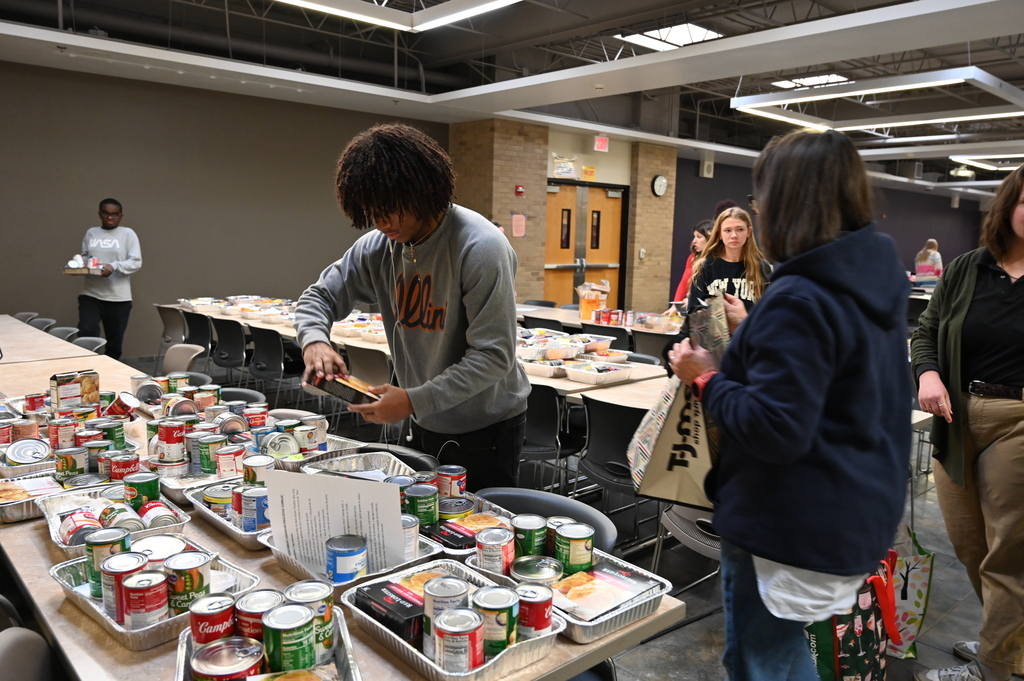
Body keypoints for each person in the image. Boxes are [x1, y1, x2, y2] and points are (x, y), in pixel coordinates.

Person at [669, 129, 911, 681]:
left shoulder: (799, 295)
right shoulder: (863, 279)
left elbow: (774, 426)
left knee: (763, 661)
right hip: (849, 511)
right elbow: (832, 376)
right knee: (773, 655)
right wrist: (756, 329)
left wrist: (705, 378)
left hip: (789, 520)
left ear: (784, 202)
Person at [294, 123, 530, 492]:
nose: (381, 221)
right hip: (423, 417)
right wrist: (315, 341)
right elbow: (318, 297)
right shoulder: (378, 246)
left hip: (486, 428)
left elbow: (494, 355)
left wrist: (414, 400)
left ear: (423, 191)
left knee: (476, 531)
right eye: (372, 212)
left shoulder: (480, 247)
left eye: (391, 209)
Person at [910, 165, 1024, 681]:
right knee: (968, 543)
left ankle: (995, 666)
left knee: (1008, 552)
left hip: (1017, 420)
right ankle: (1005, 640)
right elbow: (926, 330)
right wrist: (928, 373)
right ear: (1009, 206)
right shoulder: (967, 268)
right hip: (955, 419)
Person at [77, 198, 142, 360]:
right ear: (100, 214)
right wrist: (79, 264)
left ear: (121, 216)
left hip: (118, 297)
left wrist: (114, 266)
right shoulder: (92, 232)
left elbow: (136, 262)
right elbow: (85, 258)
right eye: (106, 213)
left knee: (114, 342)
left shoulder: (128, 234)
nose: (110, 217)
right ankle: (87, 370)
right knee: (87, 333)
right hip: (91, 293)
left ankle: (110, 373)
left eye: (115, 214)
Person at [686, 206, 771, 317]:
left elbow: (770, 313)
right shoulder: (705, 266)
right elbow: (693, 313)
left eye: (740, 229)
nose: (734, 235)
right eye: (727, 230)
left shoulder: (762, 268)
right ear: (720, 234)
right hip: (714, 334)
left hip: (750, 333)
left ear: (749, 232)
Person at [671, 219, 713, 303]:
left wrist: (693, 300)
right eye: (694, 236)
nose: (694, 241)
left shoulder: (718, 260)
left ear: (710, 239)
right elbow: (684, 282)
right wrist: (676, 304)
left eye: (699, 237)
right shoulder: (693, 258)